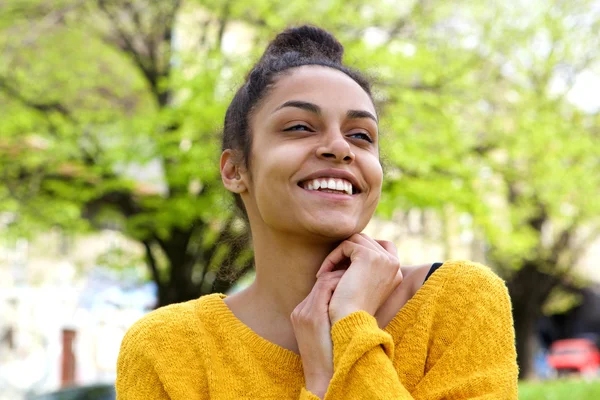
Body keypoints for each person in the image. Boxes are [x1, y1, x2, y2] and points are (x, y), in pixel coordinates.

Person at [116, 25, 518, 399]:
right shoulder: (166, 349)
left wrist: (350, 330)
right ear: (235, 170)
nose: (340, 147)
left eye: (360, 136)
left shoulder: (458, 300)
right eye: (299, 127)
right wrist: (325, 378)